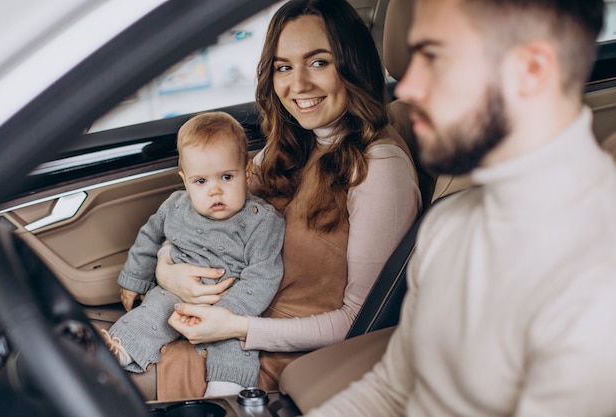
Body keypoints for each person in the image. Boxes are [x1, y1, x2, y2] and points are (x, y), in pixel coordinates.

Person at [304, 0, 616, 416]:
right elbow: (392, 389)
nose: (409, 88)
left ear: (532, 70)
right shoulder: (450, 223)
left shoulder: (597, 284)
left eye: (435, 57)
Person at [153, 0, 422, 396]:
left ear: (352, 65)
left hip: (275, 359)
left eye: (318, 63)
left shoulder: (378, 167)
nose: (297, 86)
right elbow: (206, 215)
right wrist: (166, 270)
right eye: (283, 67)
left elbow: (360, 321)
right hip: (219, 325)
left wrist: (237, 327)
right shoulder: (292, 144)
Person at [101, 111, 286, 397]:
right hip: (174, 295)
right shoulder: (175, 205)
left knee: (234, 345)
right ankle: (118, 352)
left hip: (228, 301)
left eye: (226, 177)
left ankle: (225, 393)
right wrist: (133, 279)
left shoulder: (262, 221)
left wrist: (226, 315)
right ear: (184, 180)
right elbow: (150, 237)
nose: (215, 191)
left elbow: (262, 276)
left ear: (247, 173)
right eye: (201, 182)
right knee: (149, 316)